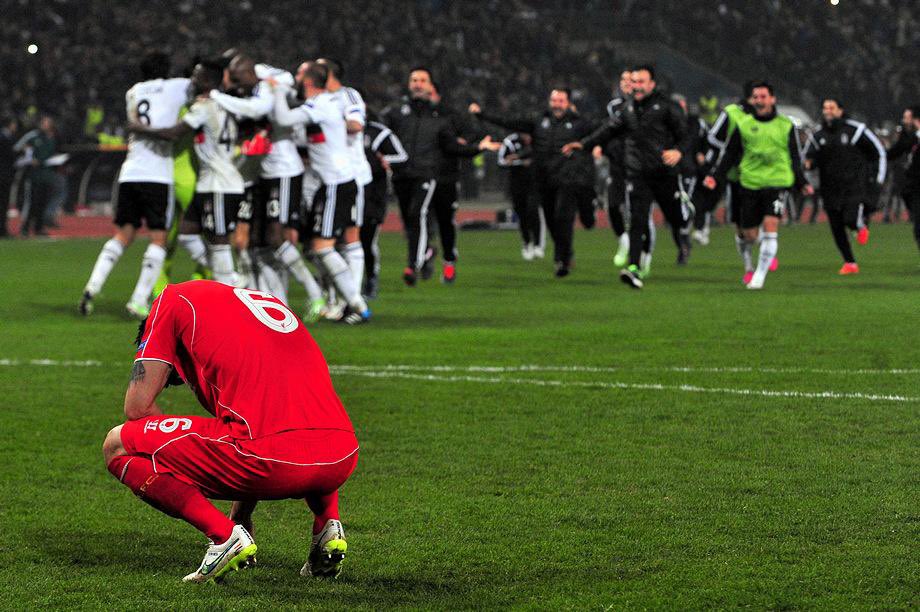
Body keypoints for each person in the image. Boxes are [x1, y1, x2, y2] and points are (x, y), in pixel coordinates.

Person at [102, 280, 359, 582]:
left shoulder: (170, 300)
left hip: (272, 461)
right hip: (341, 457)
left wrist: (168, 459)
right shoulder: (252, 303)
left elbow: (138, 409)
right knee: (298, 422)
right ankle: (327, 527)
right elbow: (249, 426)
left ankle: (223, 537)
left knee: (118, 443)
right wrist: (242, 515)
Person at [209, 54, 326, 320]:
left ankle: (314, 292)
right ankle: (276, 304)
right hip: (260, 174)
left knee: (278, 237)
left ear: (251, 74)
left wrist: (217, 96)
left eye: (240, 81)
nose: (238, 87)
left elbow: (257, 110)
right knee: (258, 243)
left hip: (284, 171)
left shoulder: (266, 88)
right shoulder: (254, 83)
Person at [79, 53, 190, 317]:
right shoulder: (176, 86)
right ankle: (138, 300)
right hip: (158, 175)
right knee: (159, 238)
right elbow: (196, 82)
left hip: (130, 172)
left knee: (123, 235)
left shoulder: (133, 92)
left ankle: (92, 288)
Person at [563, 65, 692, 289]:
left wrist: (678, 151)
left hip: (664, 173)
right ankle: (633, 268)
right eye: (634, 82)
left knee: (677, 220)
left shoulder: (667, 107)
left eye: (642, 82)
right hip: (638, 173)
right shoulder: (628, 109)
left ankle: (684, 211)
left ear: (652, 84)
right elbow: (607, 130)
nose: (637, 86)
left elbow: (688, 135)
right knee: (637, 221)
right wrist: (583, 144)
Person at [128, 61, 247, 288]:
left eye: (198, 76)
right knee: (187, 234)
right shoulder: (228, 104)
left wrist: (140, 128)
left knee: (218, 240)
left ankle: (232, 284)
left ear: (210, 81)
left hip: (220, 183)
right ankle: (226, 275)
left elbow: (174, 133)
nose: (193, 80)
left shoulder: (204, 107)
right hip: (207, 182)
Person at [270, 61, 371, 324]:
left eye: (300, 76)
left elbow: (283, 118)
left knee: (323, 248)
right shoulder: (326, 103)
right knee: (320, 248)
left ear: (308, 83)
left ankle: (357, 305)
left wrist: (278, 92)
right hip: (330, 183)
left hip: (337, 183)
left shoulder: (320, 105)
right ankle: (349, 302)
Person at [383, 67, 499, 285]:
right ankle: (425, 253)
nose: (418, 85)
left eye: (423, 81)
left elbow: (459, 141)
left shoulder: (447, 116)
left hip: (442, 177)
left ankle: (445, 262)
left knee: (441, 221)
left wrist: (476, 146)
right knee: (414, 220)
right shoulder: (398, 113)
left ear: (432, 88)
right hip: (406, 175)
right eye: (414, 80)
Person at [471, 87, 596, 277]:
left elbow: (600, 132)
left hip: (567, 179)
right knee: (552, 220)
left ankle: (561, 260)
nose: (557, 105)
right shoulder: (538, 121)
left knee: (564, 218)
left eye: (561, 101)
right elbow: (509, 122)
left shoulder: (579, 124)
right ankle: (565, 252)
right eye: (554, 101)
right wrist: (483, 115)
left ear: (568, 103)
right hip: (544, 179)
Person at [704, 81, 813, 289]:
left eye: (764, 96)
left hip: (777, 182)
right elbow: (729, 153)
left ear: (772, 99)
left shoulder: (785, 125)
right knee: (750, 235)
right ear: (752, 100)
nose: (760, 100)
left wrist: (801, 182)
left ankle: (759, 276)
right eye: (756, 97)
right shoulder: (744, 125)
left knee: (771, 226)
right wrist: (715, 175)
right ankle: (756, 258)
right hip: (750, 183)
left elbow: (794, 156)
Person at [803, 98, 886, 274]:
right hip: (829, 188)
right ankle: (850, 262)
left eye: (831, 107)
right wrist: (809, 165)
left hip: (854, 185)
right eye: (825, 108)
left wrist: (876, 178)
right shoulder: (818, 135)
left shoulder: (855, 130)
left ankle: (860, 224)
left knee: (850, 217)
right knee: (836, 226)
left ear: (840, 110)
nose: (828, 111)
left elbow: (878, 152)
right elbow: (809, 157)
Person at [361, 112, 408, 297]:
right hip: (345, 192)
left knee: (367, 240)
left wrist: (385, 160)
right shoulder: (337, 128)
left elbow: (402, 157)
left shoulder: (378, 133)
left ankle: (371, 279)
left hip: (373, 195)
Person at [498, 132, 545, 260]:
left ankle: (538, 245)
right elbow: (501, 161)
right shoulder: (509, 141)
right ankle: (527, 243)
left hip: (534, 183)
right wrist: (518, 162)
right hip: (517, 184)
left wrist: (516, 159)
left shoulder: (540, 138)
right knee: (522, 215)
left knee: (533, 210)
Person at [604, 70, 633, 266]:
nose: (626, 83)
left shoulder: (648, 107)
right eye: (623, 79)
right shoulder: (614, 106)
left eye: (630, 80)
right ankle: (623, 239)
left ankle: (642, 254)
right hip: (618, 163)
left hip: (638, 163)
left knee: (638, 210)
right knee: (613, 205)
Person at [886, 105, 920, 255]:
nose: (904, 121)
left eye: (906, 118)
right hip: (914, 188)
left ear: (915, 120)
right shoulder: (909, 138)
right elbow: (893, 153)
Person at [18, 115, 58, 237]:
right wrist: (29, 158)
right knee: (31, 203)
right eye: (45, 122)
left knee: (42, 203)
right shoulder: (33, 136)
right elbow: (19, 147)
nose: (46, 125)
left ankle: (38, 228)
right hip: (34, 176)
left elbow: (51, 154)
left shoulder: (51, 138)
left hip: (46, 176)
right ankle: (25, 228)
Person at [0, 116, 17, 238]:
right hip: (4, 175)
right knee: (3, 203)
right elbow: (10, 156)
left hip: (5, 175)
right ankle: (2, 230)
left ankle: (3, 229)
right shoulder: (5, 138)